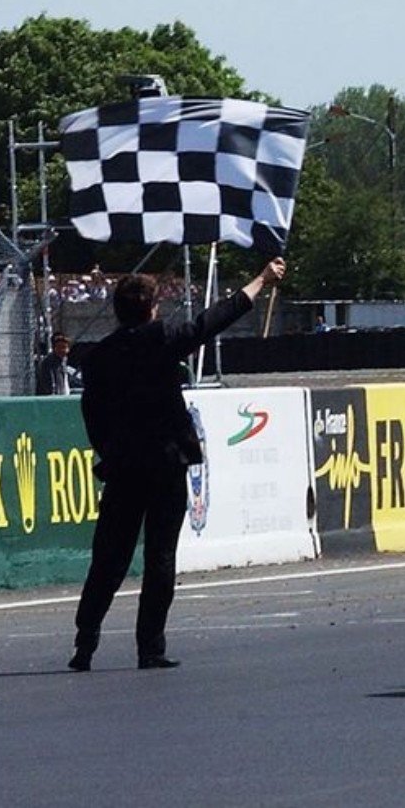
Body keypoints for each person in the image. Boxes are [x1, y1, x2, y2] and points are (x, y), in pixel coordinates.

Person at [69, 257, 286, 672]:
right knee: (160, 556)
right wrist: (261, 279)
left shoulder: (98, 357)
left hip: (123, 469)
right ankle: (150, 647)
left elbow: (91, 415)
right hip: (166, 464)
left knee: (108, 558)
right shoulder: (162, 338)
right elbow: (213, 319)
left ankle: (85, 641)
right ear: (152, 308)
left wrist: (111, 453)